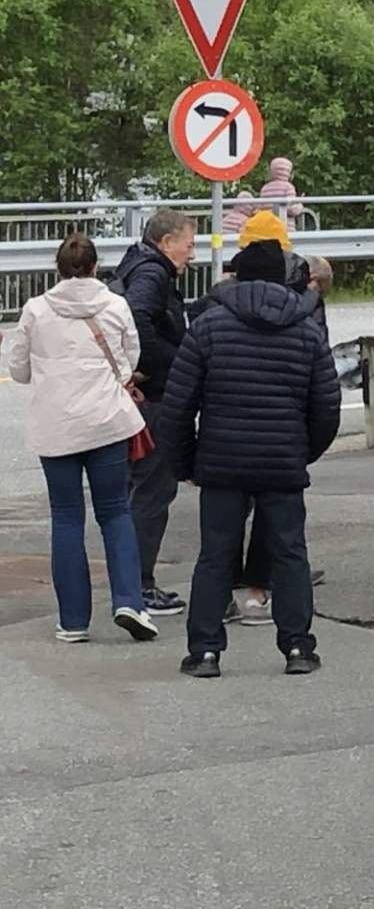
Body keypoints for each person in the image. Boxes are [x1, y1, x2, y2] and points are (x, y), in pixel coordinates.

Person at [160, 232, 340, 678]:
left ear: (237, 276)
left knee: (215, 555)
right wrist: (302, 452)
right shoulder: (305, 328)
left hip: (220, 461)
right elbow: (327, 406)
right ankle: (298, 647)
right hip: (282, 460)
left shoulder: (208, 326)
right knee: (290, 554)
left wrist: (186, 463)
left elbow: (178, 405)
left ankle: (205, 651)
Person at [6, 234, 160, 644]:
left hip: (56, 428)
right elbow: (130, 361)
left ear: (57, 269)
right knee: (115, 512)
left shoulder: (36, 310)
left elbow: (18, 371)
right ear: (95, 267)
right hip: (107, 421)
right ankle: (129, 601)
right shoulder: (115, 304)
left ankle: (73, 621)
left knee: (67, 516)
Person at [114, 208, 196, 616]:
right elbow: (136, 315)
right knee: (153, 491)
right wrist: (169, 363)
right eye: (188, 244)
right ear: (166, 243)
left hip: (141, 399)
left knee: (138, 490)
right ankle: (140, 586)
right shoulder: (153, 274)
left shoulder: (138, 264)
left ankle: (131, 584)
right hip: (157, 399)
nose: (192, 254)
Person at [259, 157, 304, 227]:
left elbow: (261, 208)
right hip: (284, 227)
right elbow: (291, 210)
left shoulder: (264, 188)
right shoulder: (288, 187)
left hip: (267, 227)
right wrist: (299, 206)